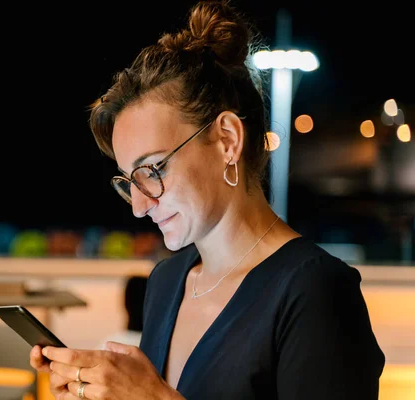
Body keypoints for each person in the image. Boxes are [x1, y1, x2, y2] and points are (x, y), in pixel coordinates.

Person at [29, 1, 385, 399]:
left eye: (154, 169)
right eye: (130, 181)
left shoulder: (315, 291)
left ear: (228, 140)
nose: (139, 205)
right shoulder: (166, 282)